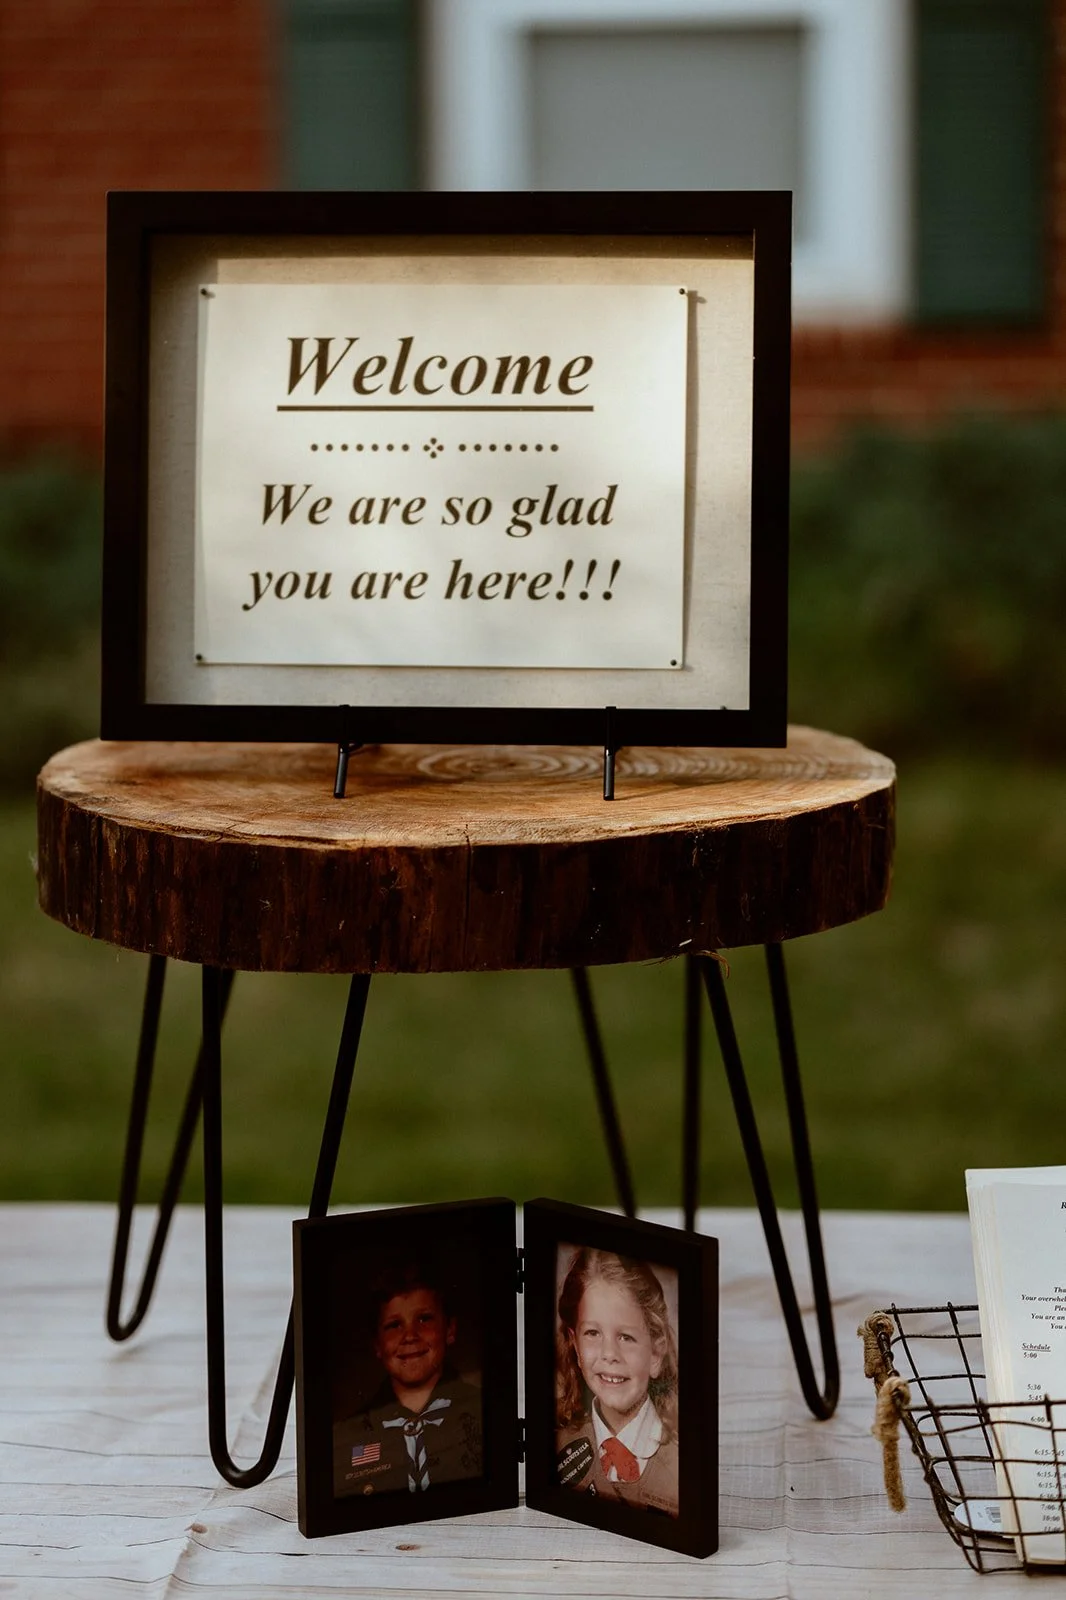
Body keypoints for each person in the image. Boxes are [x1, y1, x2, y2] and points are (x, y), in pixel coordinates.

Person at [333, 1258, 482, 1499]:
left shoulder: (482, 1412)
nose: (410, 1336)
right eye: (394, 1325)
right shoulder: (348, 1435)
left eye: (424, 1319)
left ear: (450, 1330)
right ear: (377, 1345)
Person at [555, 1247, 679, 1518]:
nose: (609, 1354)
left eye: (625, 1337)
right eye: (592, 1333)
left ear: (656, 1353)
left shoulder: (682, 1466)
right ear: (575, 1344)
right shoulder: (557, 1444)